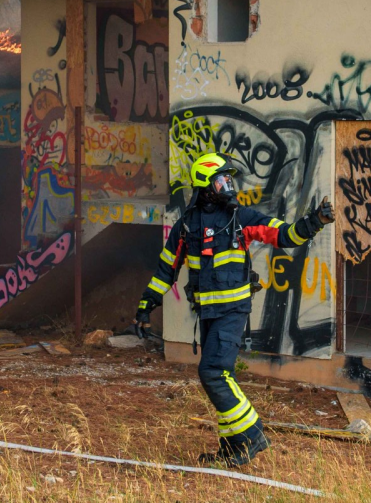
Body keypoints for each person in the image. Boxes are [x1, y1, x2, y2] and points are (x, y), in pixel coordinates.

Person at [135, 153, 334, 467]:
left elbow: (284, 234)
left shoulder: (240, 217)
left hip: (233, 311)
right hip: (208, 314)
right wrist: (147, 304)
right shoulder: (187, 225)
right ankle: (232, 449)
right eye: (222, 180)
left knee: (212, 372)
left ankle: (252, 435)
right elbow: (166, 269)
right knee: (221, 374)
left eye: (228, 179)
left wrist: (315, 222)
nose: (228, 185)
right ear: (206, 185)